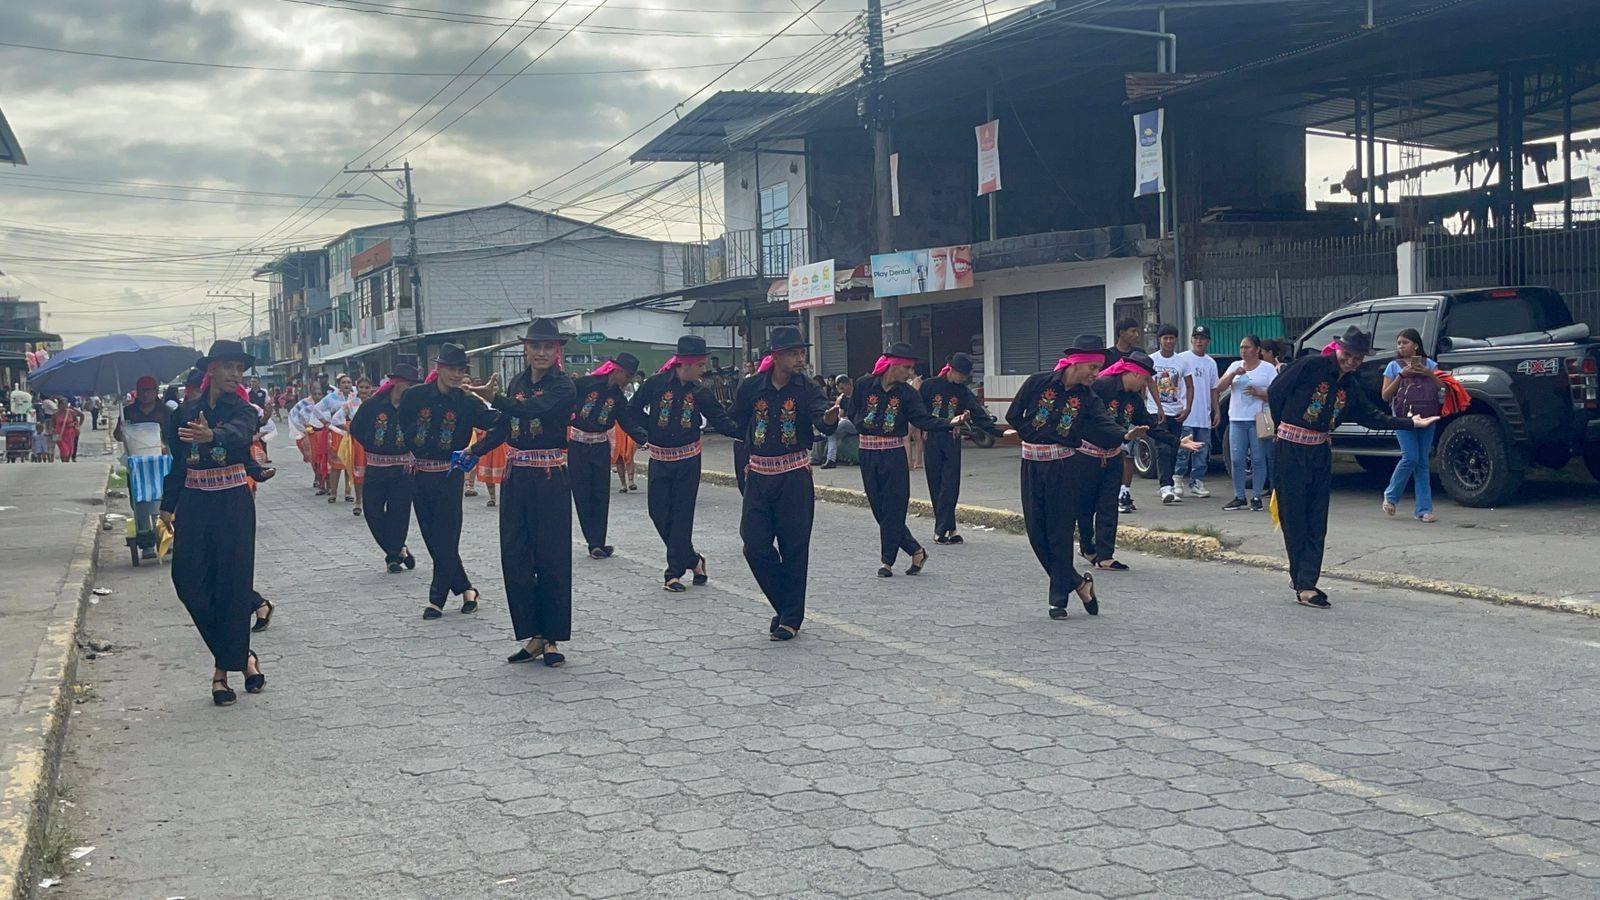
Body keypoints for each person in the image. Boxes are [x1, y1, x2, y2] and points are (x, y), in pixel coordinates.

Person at [1268, 326, 1438, 609]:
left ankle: (1306, 582)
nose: (1351, 362)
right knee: (1294, 517)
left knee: (1317, 519)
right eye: (1348, 355)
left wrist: (1410, 423)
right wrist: (1281, 426)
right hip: (1290, 449)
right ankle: (1302, 581)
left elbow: (1370, 416)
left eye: (1358, 358)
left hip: (1319, 451)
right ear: (1339, 349)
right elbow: (1276, 391)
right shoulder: (1311, 365)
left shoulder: (1350, 385)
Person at [160, 340, 268, 706]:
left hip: (233, 503)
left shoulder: (244, 410)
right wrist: (167, 505)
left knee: (232, 586)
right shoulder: (184, 412)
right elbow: (178, 463)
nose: (236, 374)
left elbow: (240, 433)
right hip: (194, 503)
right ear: (212, 369)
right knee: (188, 582)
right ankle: (243, 657)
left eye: (240, 369)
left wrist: (212, 436)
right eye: (229, 367)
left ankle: (222, 673)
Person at [466, 320, 578, 667]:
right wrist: (474, 451)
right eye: (535, 346)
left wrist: (494, 398)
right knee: (515, 555)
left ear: (556, 350)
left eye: (548, 347)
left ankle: (552, 637)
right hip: (516, 479)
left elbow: (534, 410)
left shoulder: (563, 386)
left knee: (551, 557)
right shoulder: (517, 382)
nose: (541, 352)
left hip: (550, 478)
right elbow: (504, 424)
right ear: (526, 349)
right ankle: (534, 634)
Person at [730, 326, 841, 641]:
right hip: (758, 477)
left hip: (794, 478)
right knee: (754, 545)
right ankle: (785, 605)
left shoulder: (807, 388)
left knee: (794, 547)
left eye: (801, 352)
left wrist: (829, 418)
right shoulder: (752, 387)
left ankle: (790, 618)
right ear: (776, 356)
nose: (799, 358)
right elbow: (736, 423)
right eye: (793, 353)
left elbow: (821, 418)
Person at [1006, 335, 1126, 619]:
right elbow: (1013, 415)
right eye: (1093, 368)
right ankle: (1079, 584)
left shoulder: (1088, 398)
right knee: (1036, 533)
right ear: (1076, 363)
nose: (1096, 374)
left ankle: (1057, 599)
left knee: (1059, 533)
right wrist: (1031, 434)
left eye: (1099, 369)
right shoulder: (1038, 383)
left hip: (1064, 468)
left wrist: (1127, 435)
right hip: (1031, 465)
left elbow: (1105, 424)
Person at [628, 335, 740, 592]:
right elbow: (631, 410)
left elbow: (722, 421)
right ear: (685, 363)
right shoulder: (655, 384)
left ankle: (673, 573)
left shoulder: (700, 392)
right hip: (660, 459)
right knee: (658, 512)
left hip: (688, 461)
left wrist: (748, 435)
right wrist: (648, 432)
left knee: (681, 514)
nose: (703, 370)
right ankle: (693, 559)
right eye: (700, 365)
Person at [399, 344, 501, 619]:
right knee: (432, 539)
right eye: (452, 369)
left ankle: (436, 600)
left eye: (461, 370)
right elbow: (403, 425)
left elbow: (499, 423)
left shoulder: (467, 402)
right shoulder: (415, 396)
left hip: (449, 475)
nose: (457, 375)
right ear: (439, 368)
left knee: (446, 537)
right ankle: (466, 589)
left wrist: (476, 450)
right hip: (419, 475)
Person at [847, 342, 963, 578]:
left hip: (893, 456)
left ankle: (886, 562)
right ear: (893, 365)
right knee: (879, 511)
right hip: (867, 453)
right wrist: (863, 423)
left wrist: (948, 423)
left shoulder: (907, 394)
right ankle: (916, 551)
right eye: (907, 368)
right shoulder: (864, 385)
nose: (910, 374)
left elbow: (923, 419)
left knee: (894, 509)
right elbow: (852, 411)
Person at [1084, 352, 1203, 571]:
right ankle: (1087, 547)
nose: (1146, 385)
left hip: (1112, 454)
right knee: (1087, 505)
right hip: (1087, 455)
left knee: (1108, 505)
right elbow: (1085, 415)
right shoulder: (1102, 386)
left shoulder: (1134, 400)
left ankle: (1105, 556)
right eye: (1145, 379)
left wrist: (1178, 442)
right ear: (1134, 374)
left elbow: (1151, 426)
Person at [569, 352, 646, 560]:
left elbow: (627, 422)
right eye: (627, 377)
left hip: (600, 447)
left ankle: (598, 542)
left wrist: (646, 438)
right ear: (617, 370)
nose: (627, 381)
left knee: (601, 495)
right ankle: (593, 542)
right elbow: (564, 401)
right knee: (583, 494)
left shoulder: (618, 398)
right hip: (577, 445)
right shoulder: (585, 384)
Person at [919, 352, 1002, 544]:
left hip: (951, 438)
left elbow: (977, 412)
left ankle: (944, 529)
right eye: (962, 375)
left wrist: (996, 432)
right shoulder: (929, 385)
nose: (963, 379)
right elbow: (918, 411)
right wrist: (923, 428)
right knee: (936, 483)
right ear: (952, 370)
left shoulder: (962, 391)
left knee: (951, 484)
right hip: (932, 437)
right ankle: (947, 529)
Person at [349, 363, 421, 573]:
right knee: (372, 512)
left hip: (403, 469)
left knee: (399, 514)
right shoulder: (373, 405)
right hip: (376, 466)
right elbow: (356, 429)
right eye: (408, 384)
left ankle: (392, 556)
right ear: (396, 383)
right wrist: (372, 445)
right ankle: (400, 549)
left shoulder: (415, 407)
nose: (410, 389)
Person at [1381, 327, 1442, 523]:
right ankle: (1391, 496)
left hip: (1427, 416)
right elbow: (1385, 395)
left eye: (1405, 343)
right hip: (1403, 418)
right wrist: (1401, 375)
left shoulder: (1429, 364)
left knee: (1422, 462)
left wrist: (1428, 373)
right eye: (1399, 343)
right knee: (1410, 457)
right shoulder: (1393, 366)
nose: (1401, 346)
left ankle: (1423, 509)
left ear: (1416, 345)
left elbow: (1442, 386)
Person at [1216, 335, 1278, 512]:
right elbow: (1219, 387)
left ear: (1257, 350)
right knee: (1236, 459)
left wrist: (1259, 393)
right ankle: (1239, 496)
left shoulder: (1267, 368)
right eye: (1241, 347)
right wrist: (1233, 374)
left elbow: (1276, 393)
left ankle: (1256, 496)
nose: (1243, 351)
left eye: (1247, 347)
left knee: (1258, 458)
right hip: (1237, 419)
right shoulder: (1235, 366)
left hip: (1257, 419)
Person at [115, 375, 172, 559]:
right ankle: (146, 543)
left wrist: (165, 446)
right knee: (139, 501)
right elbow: (117, 436)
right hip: (137, 465)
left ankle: (165, 537)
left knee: (163, 500)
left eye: (149, 391)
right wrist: (122, 429)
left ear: (156, 392)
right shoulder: (128, 412)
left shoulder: (165, 412)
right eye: (142, 391)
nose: (146, 395)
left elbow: (173, 435)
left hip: (160, 463)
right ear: (137, 393)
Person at [1107, 317, 1148, 514]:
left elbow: (1149, 381)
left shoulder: (1139, 354)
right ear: (1121, 332)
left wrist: (1157, 404)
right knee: (1115, 452)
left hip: (1131, 410)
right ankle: (1110, 492)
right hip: (1110, 411)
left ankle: (1124, 492)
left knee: (1128, 452)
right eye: (1132, 331)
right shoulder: (1109, 355)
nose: (1136, 335)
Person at [1147, 324, 1192, 505]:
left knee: (1174, 448)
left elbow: (1190, 386)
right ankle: (1165, 487)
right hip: (1156, 411)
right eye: (1165, 338)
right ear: (1159, 340)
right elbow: (1146, 383)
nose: (1168, 341)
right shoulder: (1151, 360)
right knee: (1163, 447)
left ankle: (1169, 484)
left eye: (1171, 338)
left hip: (1176, 410)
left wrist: (1187, 408)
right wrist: (1155, 407)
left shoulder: (1182, 362)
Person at [1175, 326, 1220, 498]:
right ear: (1191, 339)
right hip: (1185, 414)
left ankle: (1197, 481)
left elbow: (1214, 389)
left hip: (1203, 415)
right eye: (1196, 338)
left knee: (1202, 450)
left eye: (1202, 338)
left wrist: (1217, 411)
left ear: (1208, 341)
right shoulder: (1182, 358)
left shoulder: (1210, 363)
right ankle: (1177, 480)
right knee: (1182, 451)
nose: (1199, 341)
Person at [316, 374, 357, 504]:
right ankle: (333, 493)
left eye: (349, 382)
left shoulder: (355, 397)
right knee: (336, 463)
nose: (346, 384)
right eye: (343, 382)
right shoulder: (332, 397)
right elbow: (317, 409)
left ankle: (348, 492)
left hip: (352, 431)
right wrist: (326, 422)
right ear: (339, 385)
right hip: (337, 431)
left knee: (349, 461)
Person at [822, 375, 857, 468]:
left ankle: (822, 435)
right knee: (831, 433)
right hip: (847, 424)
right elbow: (841, 414)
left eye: (842, 388)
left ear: (848, 385)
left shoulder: (857, 395)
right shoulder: (843, 398)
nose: (841, 391)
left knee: (842, 424)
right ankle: (831, 459)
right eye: (839, 389)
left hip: (857, 424)